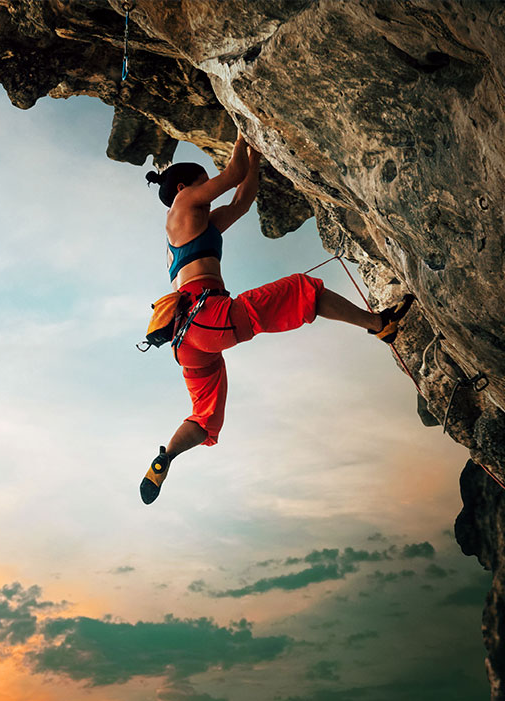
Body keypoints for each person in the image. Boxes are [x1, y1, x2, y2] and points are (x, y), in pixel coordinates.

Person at [139, 134, 414, 505]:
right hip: (209, 319)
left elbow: (241, 200)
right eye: (205, 183)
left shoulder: (195, 227)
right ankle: (378, 324)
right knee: (304, 291)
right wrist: (240, 133)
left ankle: (166, 456)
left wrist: (255, 158)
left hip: (187, 342)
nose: (208, 188)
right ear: (185, 186)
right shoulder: (183, 202)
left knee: (204, 419)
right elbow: (233, 175)